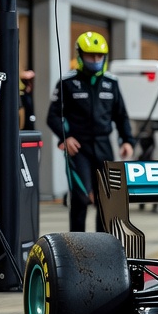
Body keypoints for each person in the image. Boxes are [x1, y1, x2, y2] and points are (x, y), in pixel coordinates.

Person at [47, 31, 135, 232]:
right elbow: (52, 116)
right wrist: (65, 138)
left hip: (104, 147)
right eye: (90, 55)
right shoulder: (67, 83)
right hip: (79, 149)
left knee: (106, 200)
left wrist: (127, 141)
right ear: (80, 55)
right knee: (80, 197)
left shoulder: (111, 83)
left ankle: (101, 246)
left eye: (99, 56)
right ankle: (76, 246)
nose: (95, 60)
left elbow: (121, 115)